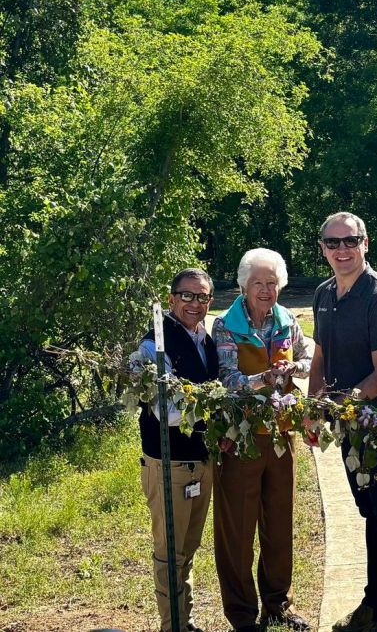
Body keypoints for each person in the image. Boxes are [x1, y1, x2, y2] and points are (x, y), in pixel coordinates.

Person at [309, 212, 377, 632]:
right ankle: (373, 603)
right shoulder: (323, 294)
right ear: (322, 248)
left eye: (350, 241)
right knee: (372, 512)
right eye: (333, 243)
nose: (342, 250)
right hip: (352, 425)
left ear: (365, 243)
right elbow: (320, 357)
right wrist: (313, 407)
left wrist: (339, 405)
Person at [211, 248, 312, 632]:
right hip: (240, 438)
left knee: (279, 522)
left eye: (272, 283)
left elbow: (309, 355)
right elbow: (226, 380)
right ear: (243, 285)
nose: (266, 290)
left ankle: (277, 605)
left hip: (281, 436)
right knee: (237, 528)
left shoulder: (287, 320)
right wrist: (264, 379)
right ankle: (241, 614)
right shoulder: (226, 325)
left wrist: (296, 367)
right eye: (259, 283)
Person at [136, 268, 219, 632]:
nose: (195, 304)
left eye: (202, 297)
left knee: (189, 546)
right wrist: (218, 404)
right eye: (187, 296)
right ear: (171, 300)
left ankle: (185, 622)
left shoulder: (207, 341)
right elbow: (167, 412)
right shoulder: (153, 345)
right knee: (169, 552)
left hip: (201, 462)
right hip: (168, 464)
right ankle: (173, 626)